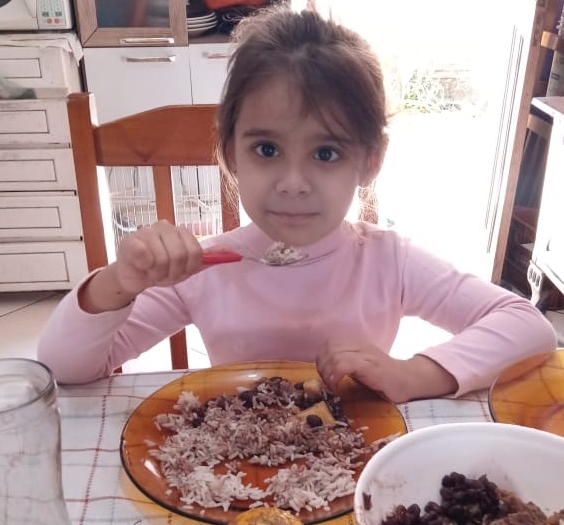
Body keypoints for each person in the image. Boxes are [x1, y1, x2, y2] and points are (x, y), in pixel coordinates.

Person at [37, 6, 556, 403]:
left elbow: (528, 326)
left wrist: (416, 373)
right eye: (267, 150)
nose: (293, 183)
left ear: (370, 161)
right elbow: (64, 368)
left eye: (326, 153)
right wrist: (118, 282)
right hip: (229, 469)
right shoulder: (203, 267)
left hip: (354, 466)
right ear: (230, 154)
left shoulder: (388, 261)